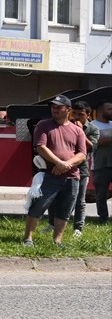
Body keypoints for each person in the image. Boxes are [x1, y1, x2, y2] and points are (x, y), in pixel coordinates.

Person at [23, 94, 87, 247]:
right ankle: (28, 239)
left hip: (71, 178)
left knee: (64, 211)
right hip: (49, 175)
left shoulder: (77, 130)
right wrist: (58, 163)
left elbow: (82, 154)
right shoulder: (43, 125)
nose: (55, 110)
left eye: (59, 107)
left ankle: (57, 240)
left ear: (68, 110)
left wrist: (66, 165)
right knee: (38, 206)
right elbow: (41, 147)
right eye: (53, 107)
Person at [49, 101, 97, 238]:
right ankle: (52, 224)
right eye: (74, 113)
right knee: (54, 198)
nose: (76, 117)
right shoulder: (64, 126)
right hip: (62, 168)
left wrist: (80, 131)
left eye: (80, 114)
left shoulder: (92, 129)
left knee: (79, 201)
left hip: (81, 170)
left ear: (88, 115)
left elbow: (92, 147)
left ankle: (78, 228)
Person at [90, 100, 112, 224]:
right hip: (100, 166)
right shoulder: (92, 126)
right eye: (109, 109)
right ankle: (103, 220)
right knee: (101, 196)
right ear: (100, 112)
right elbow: (97, 142)